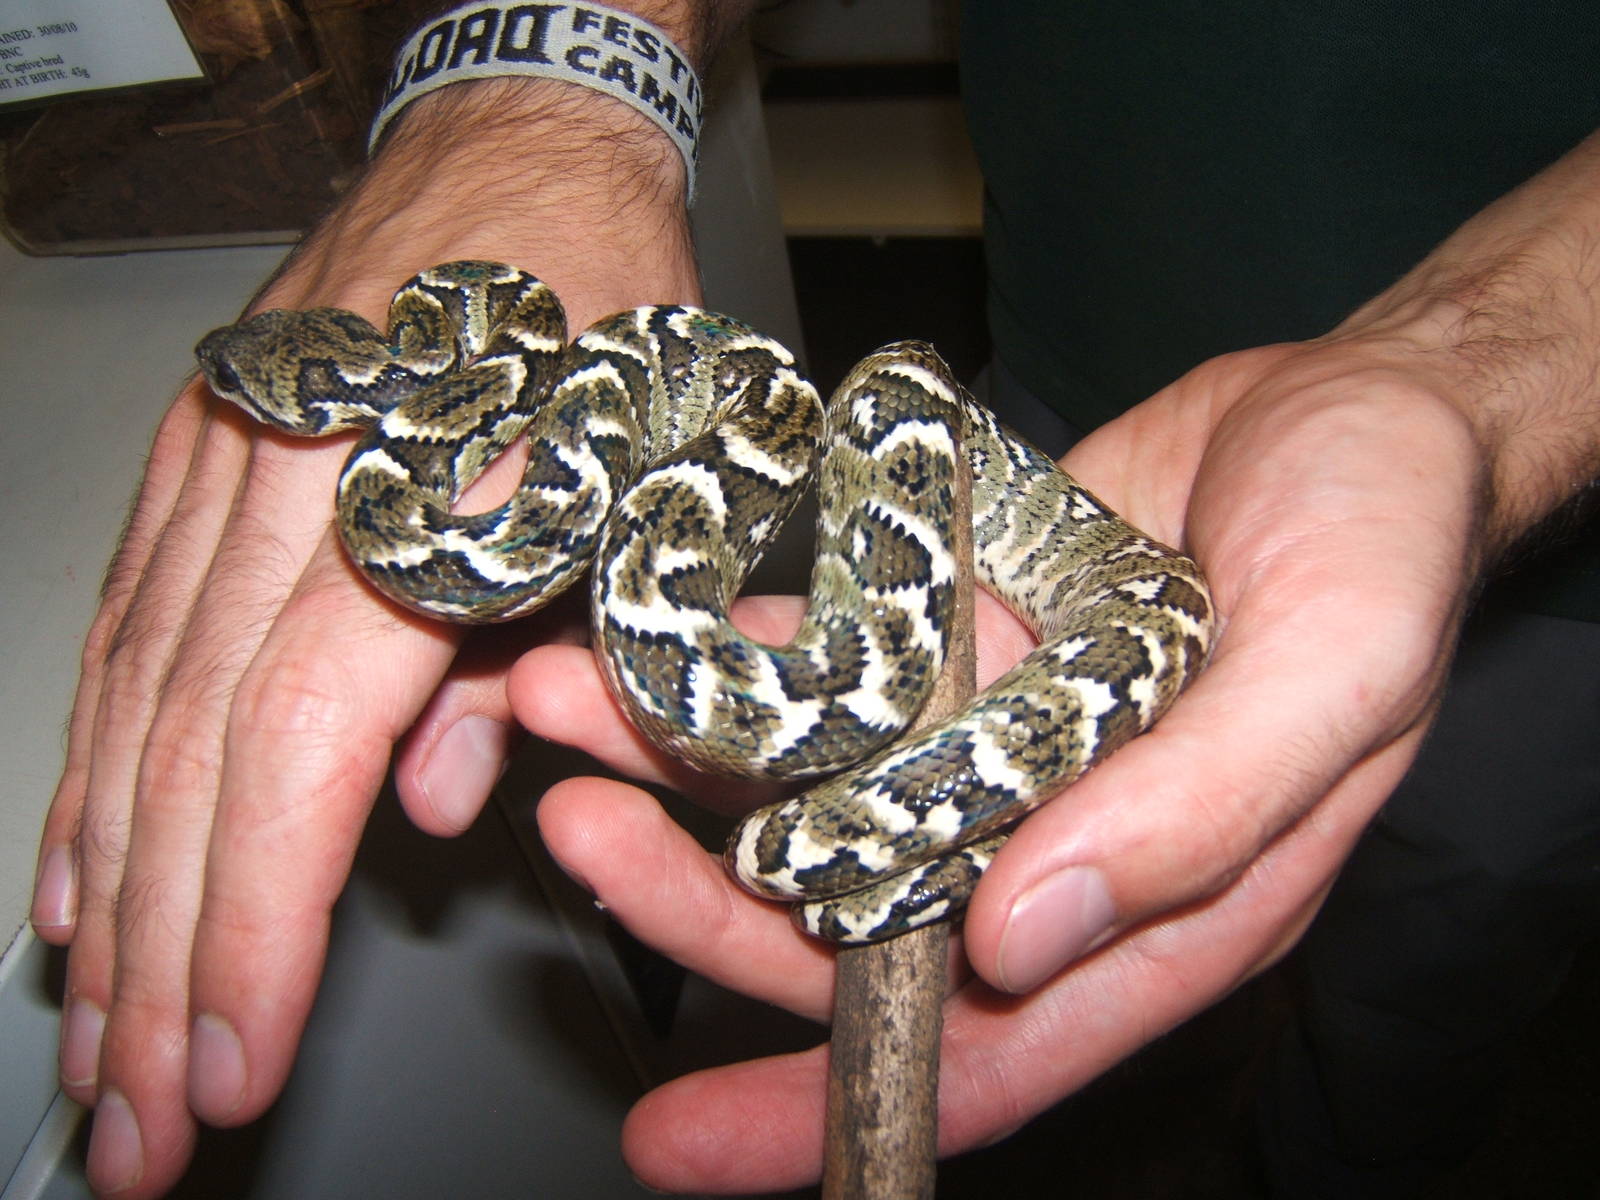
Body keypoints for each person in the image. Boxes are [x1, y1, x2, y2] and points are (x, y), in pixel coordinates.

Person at [30, 1, 1600, 1196]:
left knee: (1432, 976)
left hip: (1548, 515)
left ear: (351, 412)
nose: (245, 390)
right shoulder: (488, 377)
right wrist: (545, 75)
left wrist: (1480, 375)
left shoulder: (467, 435)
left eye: (267, 391)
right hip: (1072, 353)